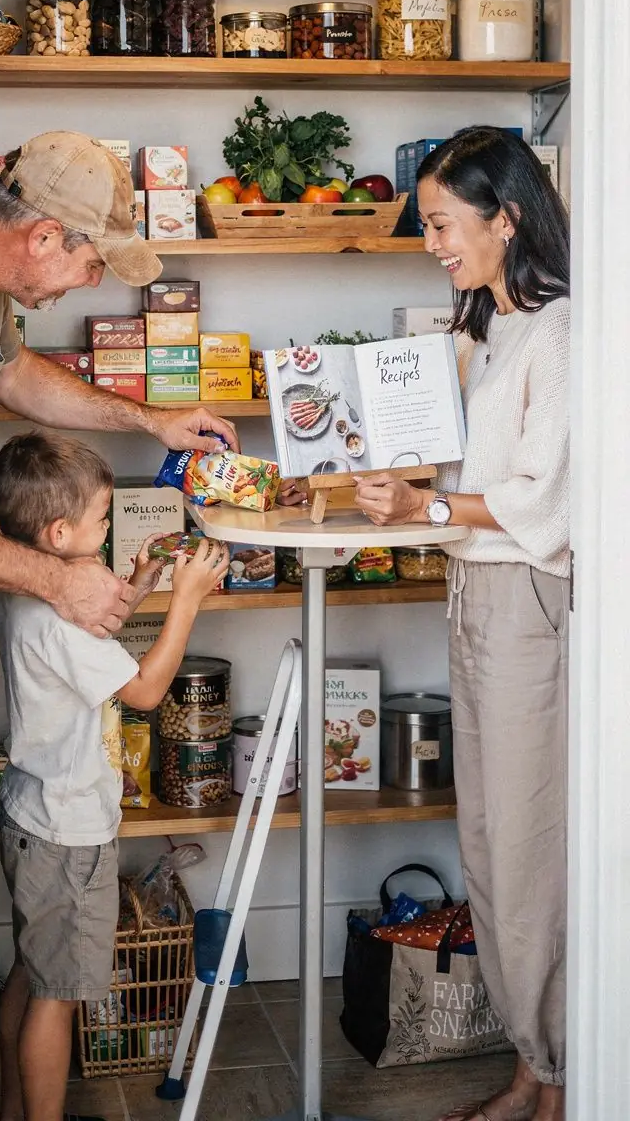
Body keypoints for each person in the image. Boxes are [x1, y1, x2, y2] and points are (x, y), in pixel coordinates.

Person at [0, 131, 237, 922]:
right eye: (91, 264)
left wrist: (152, 421)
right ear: (44, 236)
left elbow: (15, 375)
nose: (89, 282)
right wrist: (62, 583)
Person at [350, 127, 569, 1121]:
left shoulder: (565, 336)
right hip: (474, 597)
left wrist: (428, 510)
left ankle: (560, 1078)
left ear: (507, 216)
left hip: (528, 602)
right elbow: (455, 471)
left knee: (528, 849)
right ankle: (535, 1065)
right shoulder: (478, 333)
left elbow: (547, 503)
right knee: (485, 841)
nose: (432, 240)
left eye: (442, 222)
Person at [0, 431, 229, 1121]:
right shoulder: (56, 622)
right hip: (68, 831)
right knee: (56, 993)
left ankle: (13, 1110)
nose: (109, 525)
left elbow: (94, 631)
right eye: (101, 518)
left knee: (33, 970)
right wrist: (187, 600)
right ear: (60, 533)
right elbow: (148, 690)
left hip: (30, 812)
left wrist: (143, 582)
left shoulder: (29, 588)